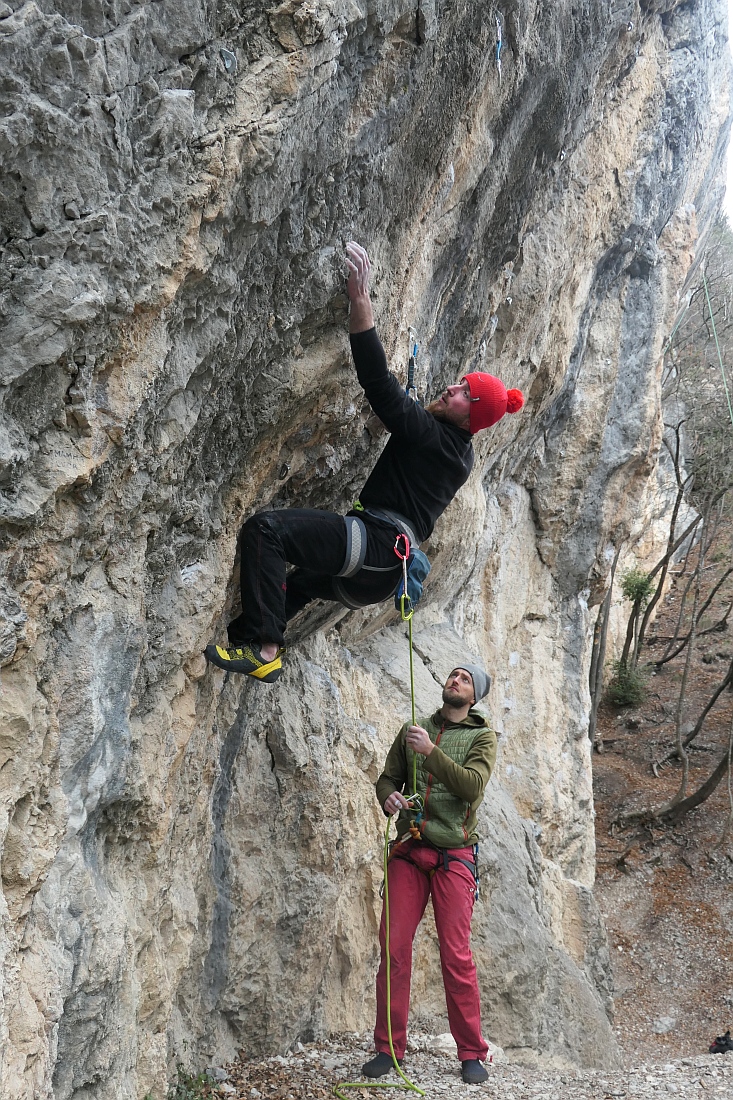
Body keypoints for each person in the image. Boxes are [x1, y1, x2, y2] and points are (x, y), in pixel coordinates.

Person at [204, 243, 524, 682]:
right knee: (296, 583)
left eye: (465, 395)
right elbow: (407, 423)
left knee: (267, 531)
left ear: (472, 418)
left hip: (376, 545)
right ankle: (249, 640)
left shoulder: (439, 439)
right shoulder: (454, 450)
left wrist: (361, 303)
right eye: (461, 384)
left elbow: (379, 387)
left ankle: (263, 649)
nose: (453, 389)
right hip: (377, 573)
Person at [363, 663, 497, 1086]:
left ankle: (473, 1052)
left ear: (474, 696)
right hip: (410, 850)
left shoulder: (482, 738)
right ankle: (388, 1048)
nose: (455, 681)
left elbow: (472, 787)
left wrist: (430, 753)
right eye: (453, 675)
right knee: (394, 948)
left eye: (465, 679)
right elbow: (387, 779)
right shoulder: (414, 728)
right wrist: (389, 799)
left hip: (454, 855)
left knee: (455, 956)